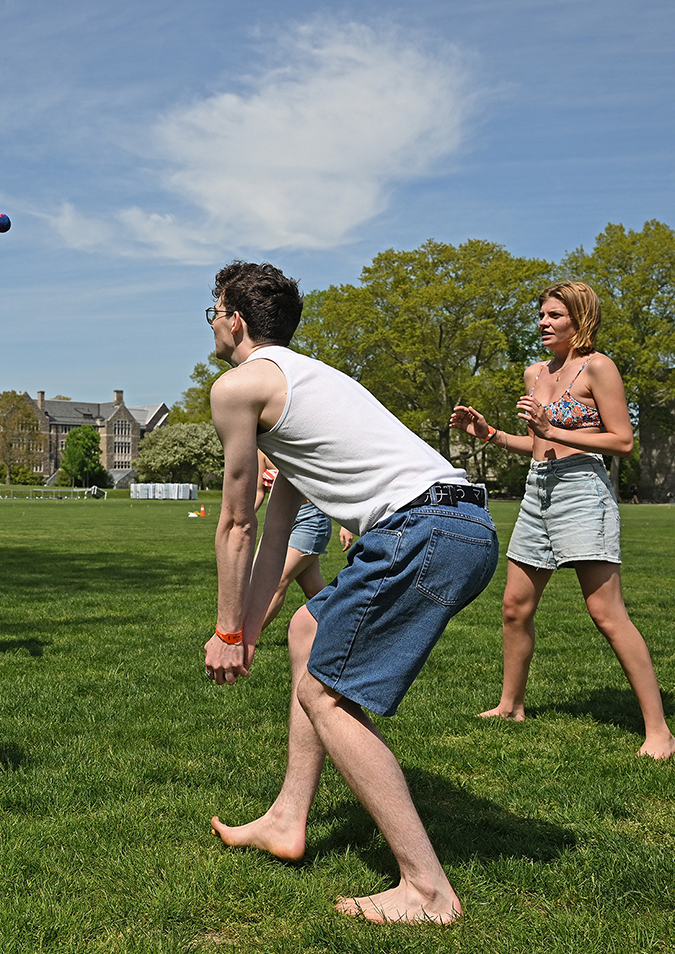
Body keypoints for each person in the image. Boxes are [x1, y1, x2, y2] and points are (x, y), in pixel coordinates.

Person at [202, 261, 498, 924]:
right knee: (308, 632)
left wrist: (224, 632)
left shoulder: (238, 387)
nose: (213, 326)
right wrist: (247, 631)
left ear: (236, 321)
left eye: (213, 314)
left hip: (422, 529)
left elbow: (237, 520)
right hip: (463, 524)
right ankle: (287, 818)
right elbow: (278, 534)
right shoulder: (309, 385)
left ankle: (427, 890)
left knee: (326, 695)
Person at [450, 281, 675, 759]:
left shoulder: (599, 367)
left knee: (606, 614)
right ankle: (511, 705)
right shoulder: (535, 372)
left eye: (554, 315)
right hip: (538, 488)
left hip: (582, 489)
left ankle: (660, 731)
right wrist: (489, 433)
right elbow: (537, 443)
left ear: (580, 319)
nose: (543, 323)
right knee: (514, 606)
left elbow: (621, 441)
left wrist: (553, 429)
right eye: (541, 315)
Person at [253, 452, 354, 632]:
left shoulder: (296, 441)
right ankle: (346, 625)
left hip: (310, 520)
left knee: (277, 581)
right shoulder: (260, 449)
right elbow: (258, 491)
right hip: (277, 520)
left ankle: (244, 640)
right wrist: (242, 518)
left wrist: (345, 523)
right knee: (313, 591)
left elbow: (331, 482)